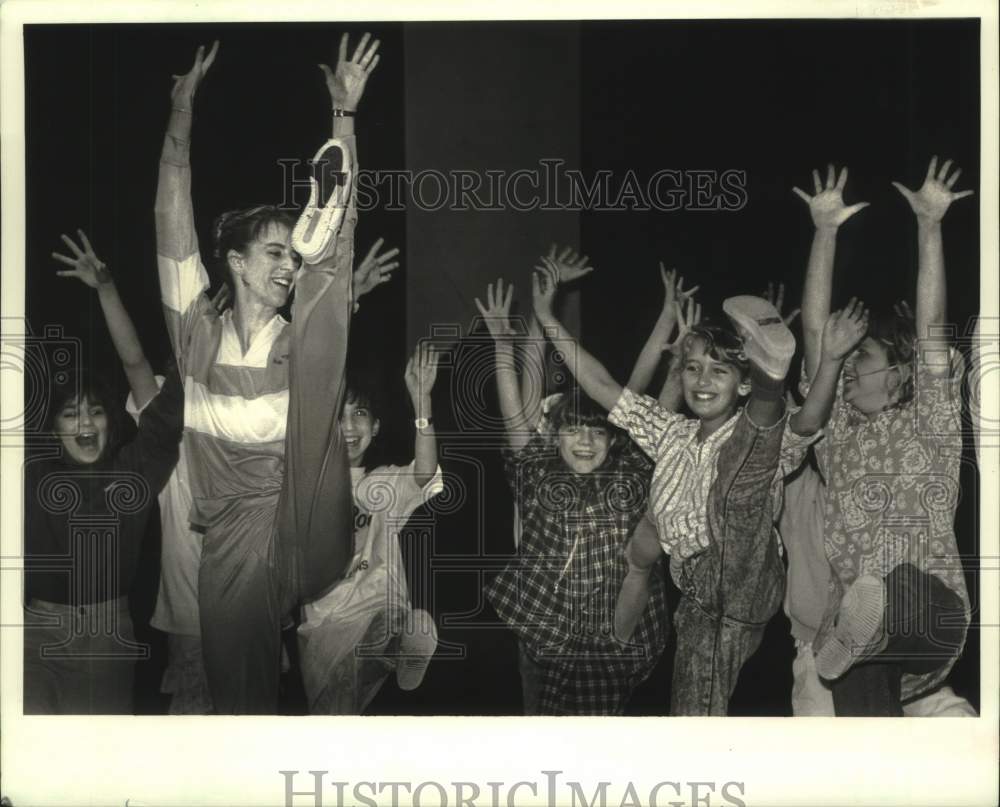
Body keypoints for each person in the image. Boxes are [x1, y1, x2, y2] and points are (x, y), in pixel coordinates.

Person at [534, 253, 869, 714]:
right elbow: (601, 383)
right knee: (693, 710)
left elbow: (810, 420)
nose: (702, 380)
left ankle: (774, 375)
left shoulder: (749, 430)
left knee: (747, 460)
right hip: (700, 597)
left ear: (743, 384)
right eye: (693, 368)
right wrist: (547, 317)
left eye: (719, 369)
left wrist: (829, 360)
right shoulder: (669, 433)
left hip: (748, 569)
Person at [153, 33, 379, 713]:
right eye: (273, 251)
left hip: (294, 520)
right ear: (235, 261)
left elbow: (333, 256)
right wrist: (181, 116)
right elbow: (171, 218)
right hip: (222, 538)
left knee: (327, 282)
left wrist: (345, 119)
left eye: (291, 252)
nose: (285, 264)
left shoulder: (295, 340)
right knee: (240, 697)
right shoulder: (196, 331)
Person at [794, 160, 973, 716]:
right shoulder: (838, 433)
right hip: (856, 647)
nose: (846, 368)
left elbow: (932, 326)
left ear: (899, 374)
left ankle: (871, 620)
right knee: (864, 749)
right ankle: (859, 633)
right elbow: (818, 335)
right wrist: (824, 233)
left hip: (926, 617)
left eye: (862, 358)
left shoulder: (930, 424)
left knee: (895, 591)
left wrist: (930, 226)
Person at [477, 273, 669, 716]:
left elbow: (638, 397)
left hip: (610, 636)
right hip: (545, 629)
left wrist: (667, 327)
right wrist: (502, 346)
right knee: (542, 727)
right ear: (555, 436)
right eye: (572, 429)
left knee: (602, 738)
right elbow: (516, 416)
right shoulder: (538, 476)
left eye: (596, 431)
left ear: (614, 439)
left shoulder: (631, 474)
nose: (585, 440)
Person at [24, 235, 183, 712]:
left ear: (112, 420)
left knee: (93, 773)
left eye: (95, 412)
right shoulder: (31, 476)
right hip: (33, 630)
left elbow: (138, 367)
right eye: (72, 414)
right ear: (53, 427)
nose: (86, 423)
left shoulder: (134, 471)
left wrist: (107, 289)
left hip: (104, 636)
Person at [297, 345, 444, 713]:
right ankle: (388, 655)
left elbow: (425, 472)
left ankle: (396, 645)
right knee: (336, 712)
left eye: (360, 413)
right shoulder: (302, 489)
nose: (349, 426)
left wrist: (422, 402)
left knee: (381, 628)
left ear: (375, 427)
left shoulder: (381, 484)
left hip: (379, 607)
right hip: (324, 625)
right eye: (338, 415)